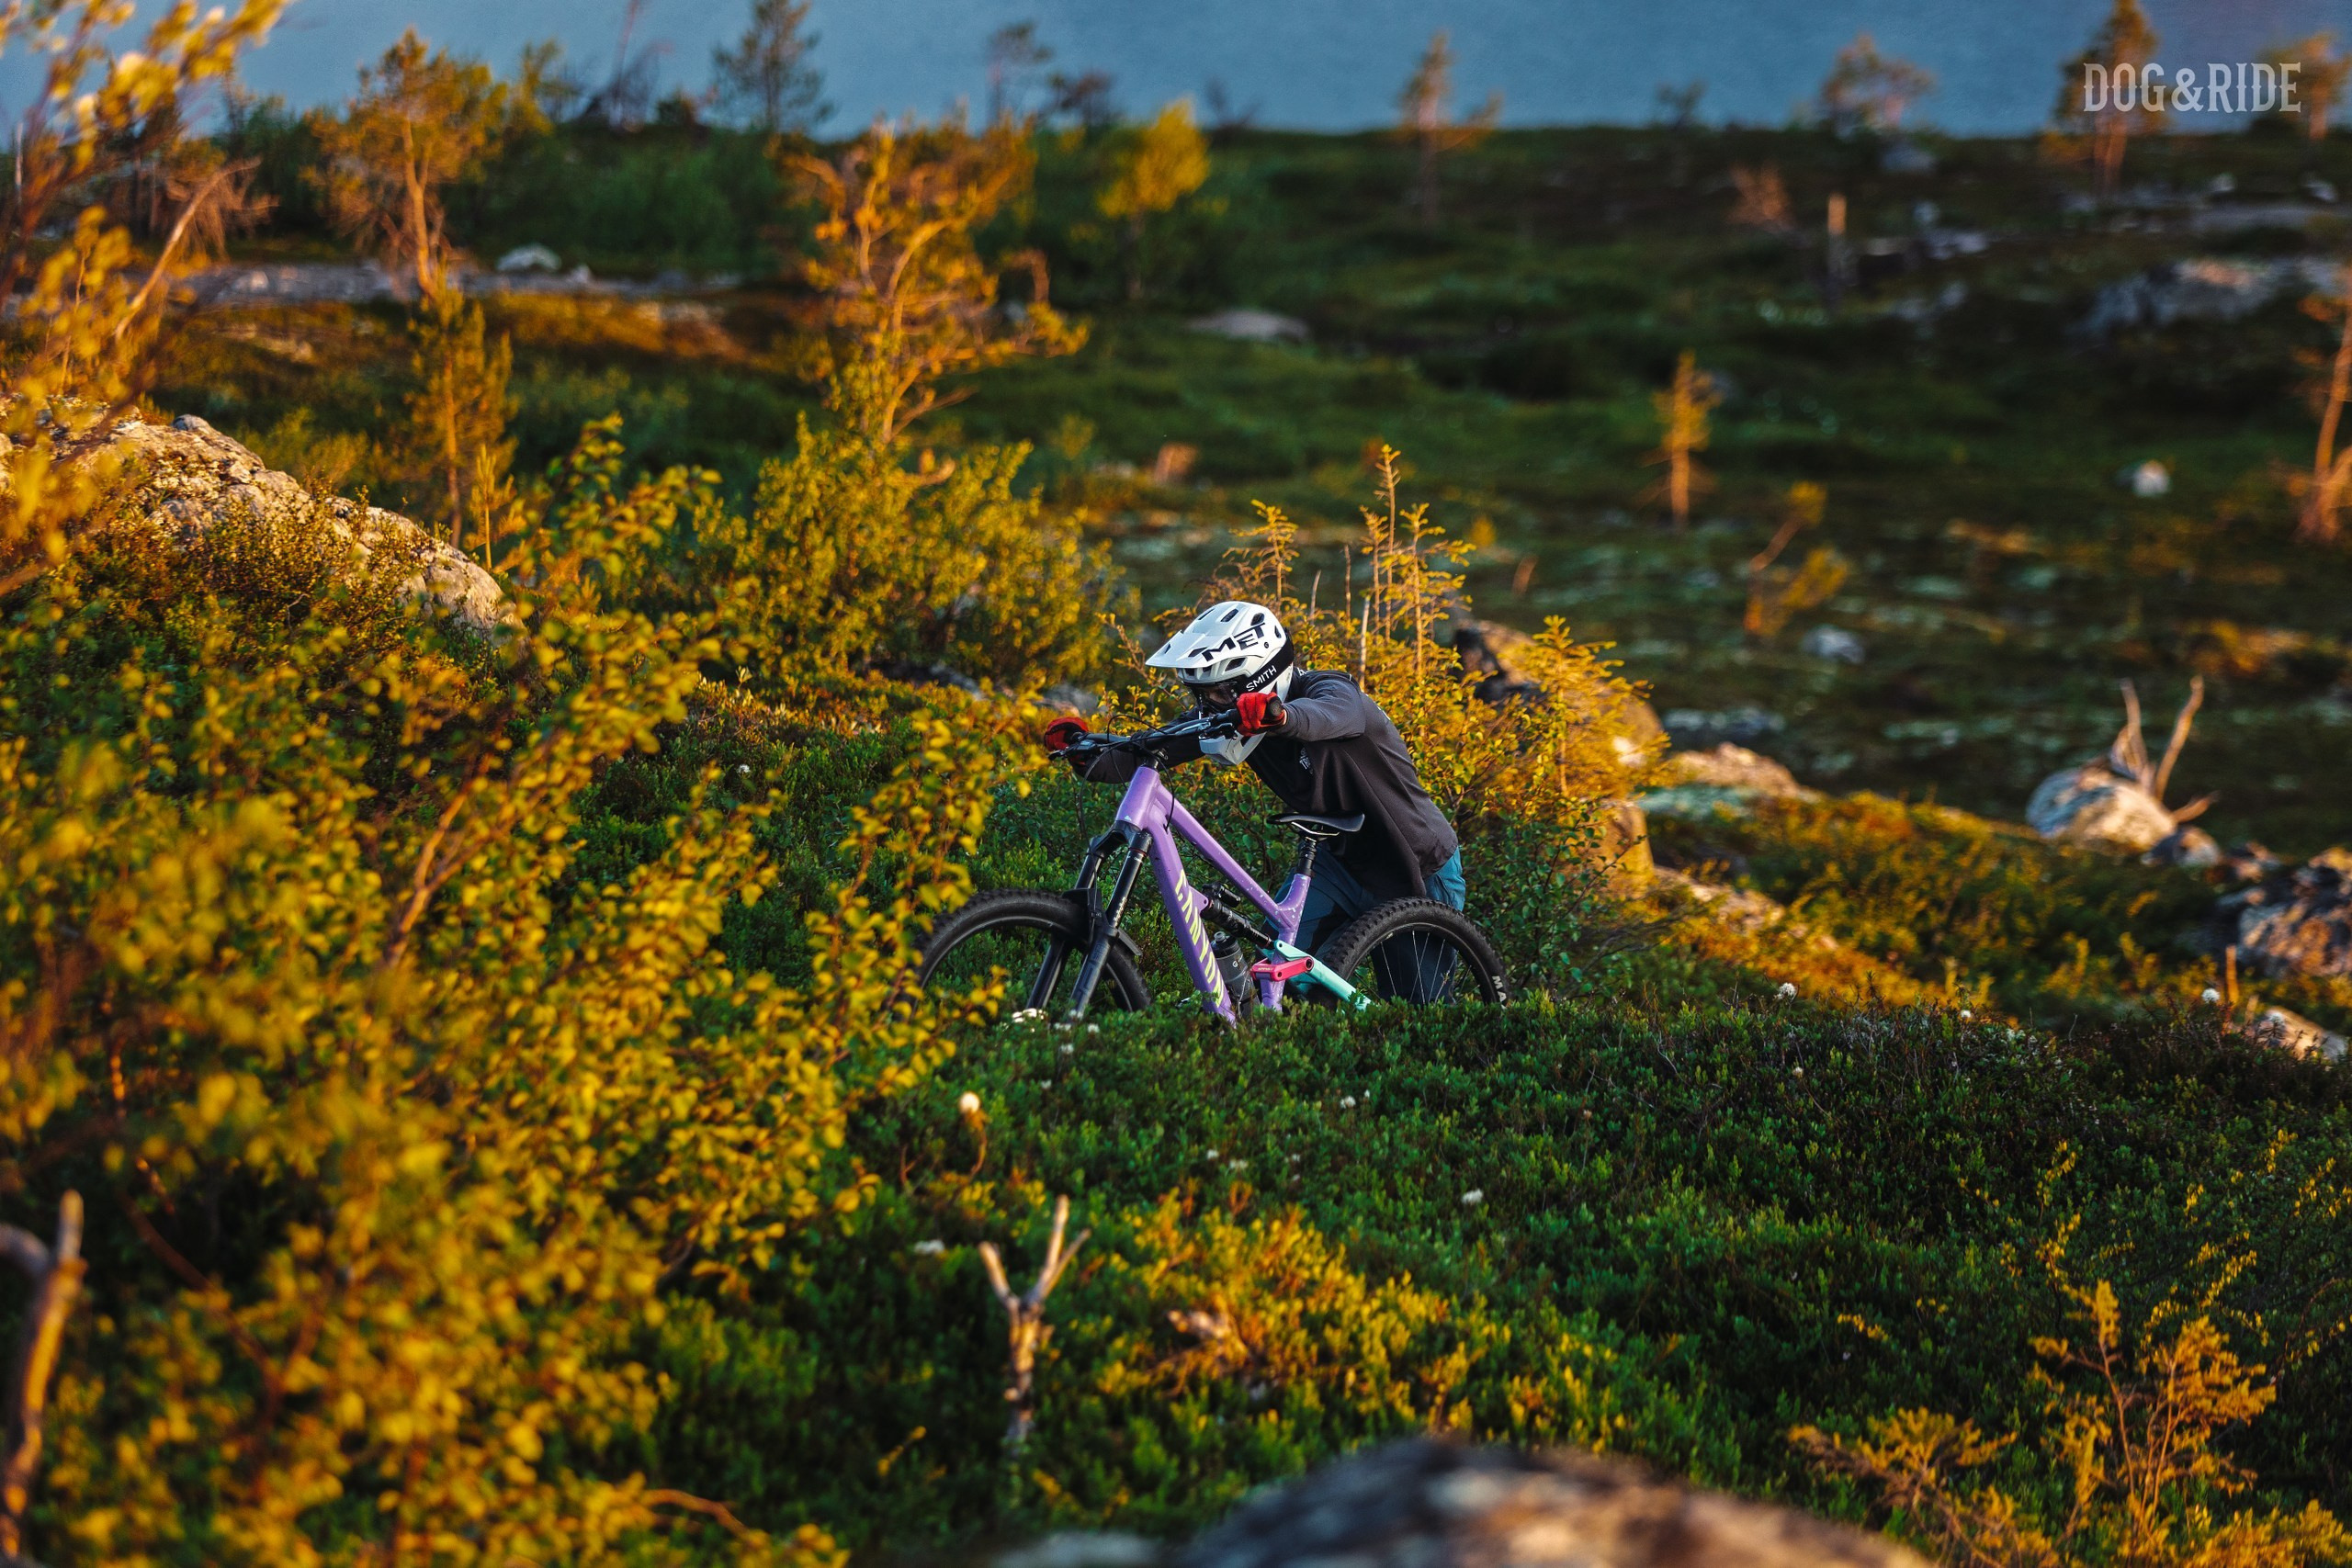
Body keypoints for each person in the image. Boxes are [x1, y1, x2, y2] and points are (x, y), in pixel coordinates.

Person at [1042, 600, 1464, 953]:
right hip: (1341, 866)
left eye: (1223, 692)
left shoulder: (1330, 691)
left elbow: (1329, 716)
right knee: (1278, 973)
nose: (1213, 706)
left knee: (1415, 1007)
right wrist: (1088, 753)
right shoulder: (1233, 713)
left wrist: (1278, 716)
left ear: (1264, 676)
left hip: (1415, 864)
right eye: (1203, 696)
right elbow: (1157, 745)